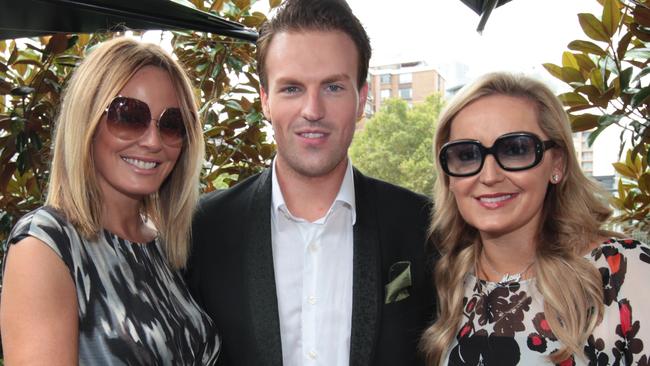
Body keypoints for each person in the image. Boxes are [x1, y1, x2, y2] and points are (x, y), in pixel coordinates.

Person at [185, 0, 436, 364]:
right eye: (291, 89)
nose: (313, 110)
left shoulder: (422, 226)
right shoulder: (204, 231)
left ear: (361, 98)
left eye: (333, 87)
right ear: (266, 101)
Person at [0, 37, 220, 365]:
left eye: (172, 124)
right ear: (86, 121)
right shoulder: (46, 245)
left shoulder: (162, 246)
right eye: (129, 116)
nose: (152, 141)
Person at [420, 72, 650, 365]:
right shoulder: (447, 278)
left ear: (558, 164)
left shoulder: (623, 273)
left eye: (516, 150)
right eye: (466, 155)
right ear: (449, 176)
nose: (489, 176)